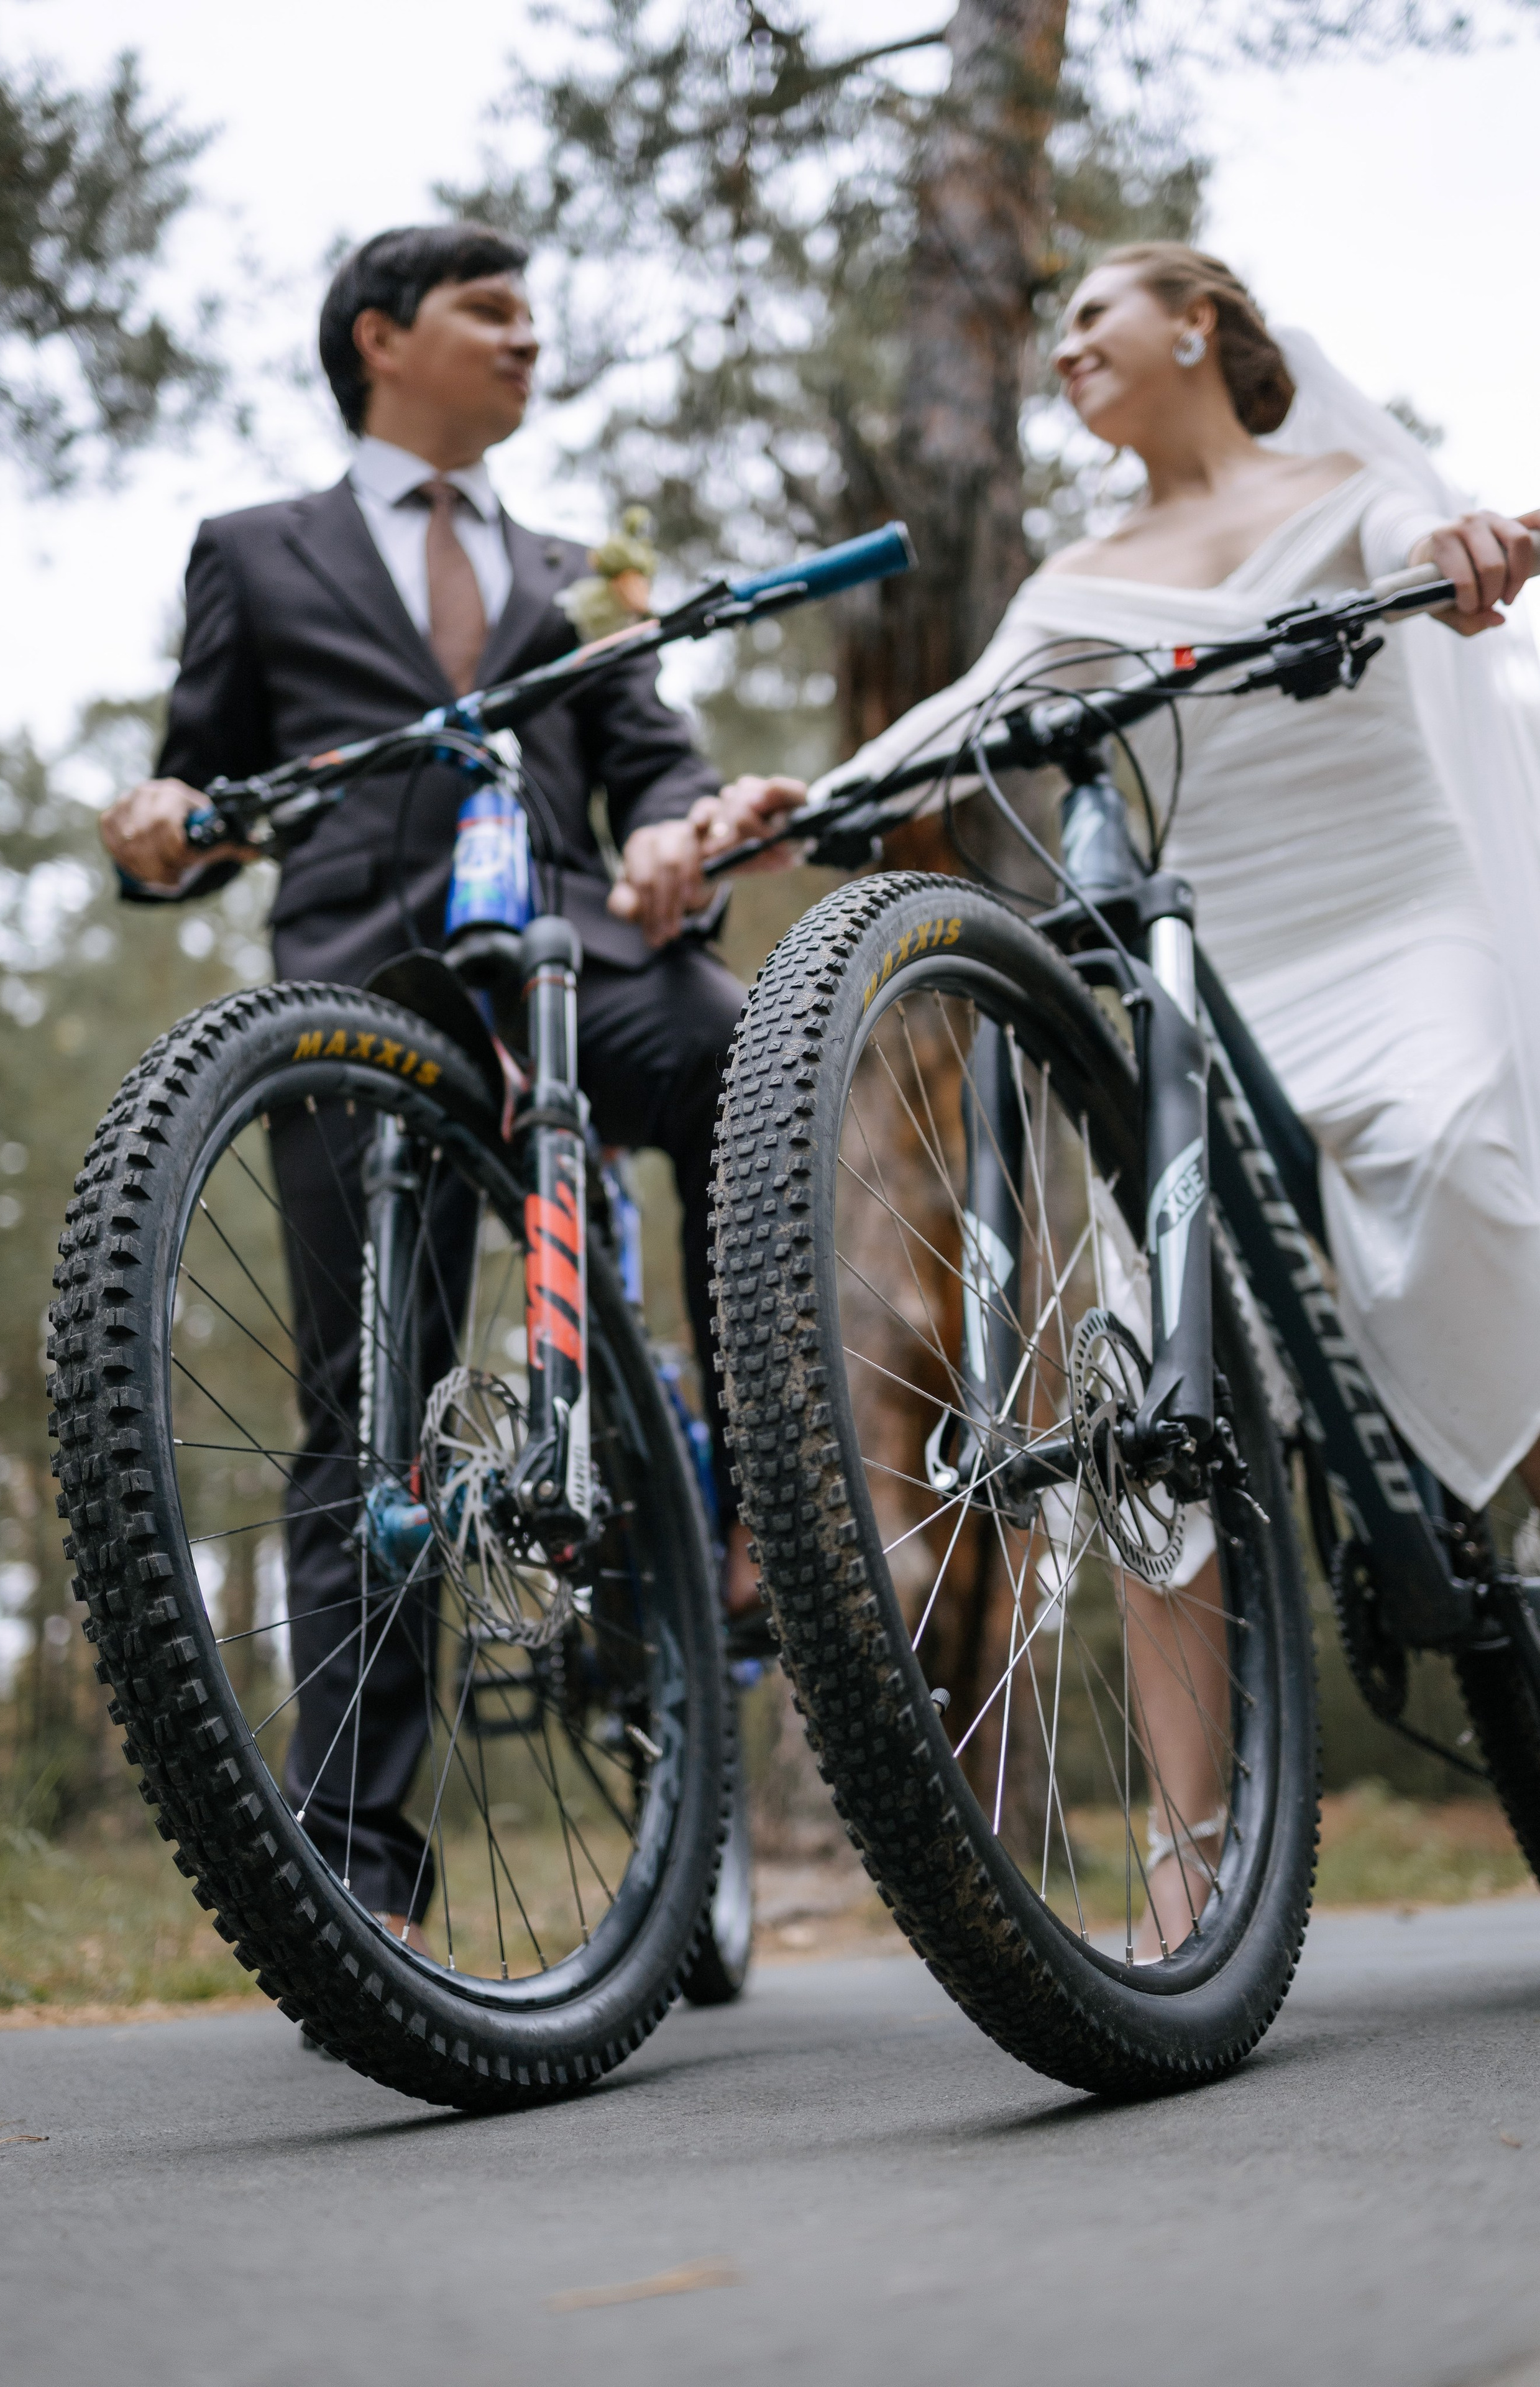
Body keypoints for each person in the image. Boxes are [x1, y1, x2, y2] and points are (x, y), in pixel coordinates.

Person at [780, 242, 1540, 1956]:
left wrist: (1455, 548)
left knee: (1457, 1167)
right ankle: (1193, 1860)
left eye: (1090, 320)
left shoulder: (1345, 485)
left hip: (1391, 921)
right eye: (1049, 333)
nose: (1062, 353)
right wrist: (798, 796)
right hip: (1218, 963)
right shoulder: (1085, 569)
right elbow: (964, 717)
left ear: (1195, 324)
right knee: (1145, 1370)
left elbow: (1406, 547)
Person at [99, 223, 788, 1946]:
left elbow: (654, 766)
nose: (529, 339)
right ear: (381, 337)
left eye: (536, 313)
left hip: (583, 961)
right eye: (493, 312)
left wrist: (669, 843)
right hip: (366, 992)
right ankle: (361, 1867)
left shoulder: (577, 564)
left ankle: (765, 1490)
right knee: (370, 1403)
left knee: (740, 1056)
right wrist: (162, 826)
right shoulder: (253, 552)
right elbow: (203, 779)